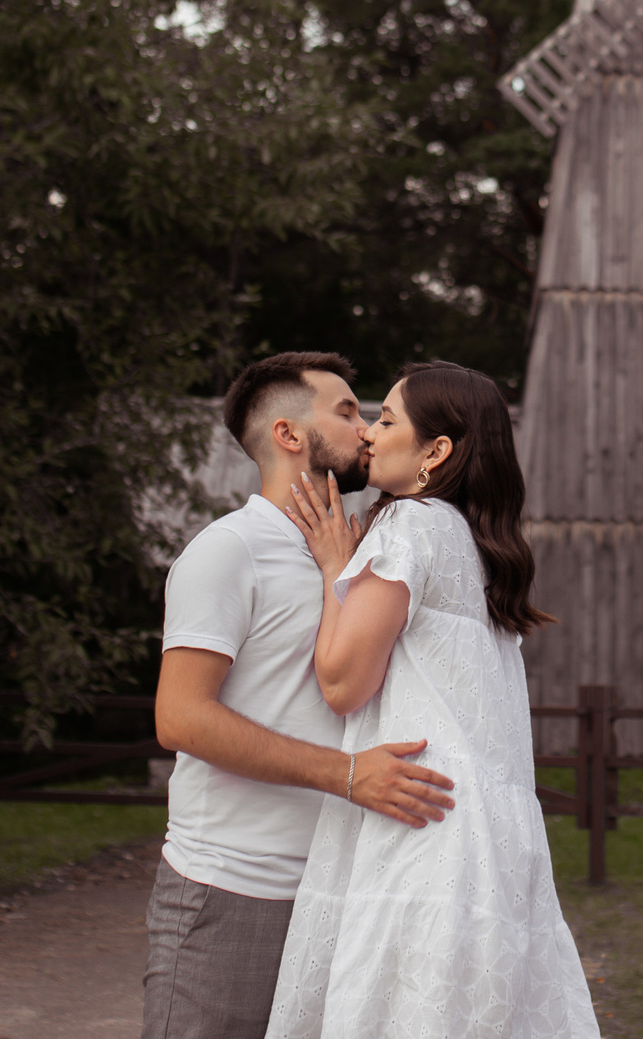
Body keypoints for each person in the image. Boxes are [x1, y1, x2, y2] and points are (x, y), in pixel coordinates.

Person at [269, 362, 602, 1039]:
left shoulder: (411, 527)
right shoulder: (479, 548)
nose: (369, 434)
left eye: (386, 419)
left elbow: (342, 684)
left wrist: (337, 566)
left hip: (422, 826)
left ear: (436, 451)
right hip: (496, 840)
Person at [146, 352, 458, 1039]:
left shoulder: (366, 552)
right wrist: (348, 775)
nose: (369, 427)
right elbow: (179, 715)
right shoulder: (228, 550)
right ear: (289, 435)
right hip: (234, 888)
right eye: (348, 411)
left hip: (343, 891)